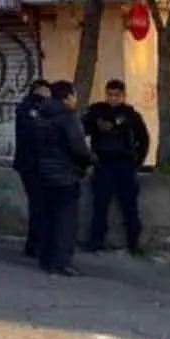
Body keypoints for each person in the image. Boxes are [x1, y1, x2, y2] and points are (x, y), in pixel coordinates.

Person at [81, 79, 151, 255]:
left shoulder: (131, 115)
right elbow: (83, 128)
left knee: (129, 206)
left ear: (123, 96)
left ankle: (134, 243)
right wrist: (96, 124)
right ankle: (96, 241)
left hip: (125, 164)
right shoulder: (97, 111)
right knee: (100, 205)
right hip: (103, 163)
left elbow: (143, 139)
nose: (113, 98)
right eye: (110, 94)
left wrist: (137, 162)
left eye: (117, 95)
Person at [32, 80, 94, 276]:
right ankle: (62, 261)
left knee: (48, 218)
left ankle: (46, 259)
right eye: (74, 96)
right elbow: (78, 148)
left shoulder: (41, 116)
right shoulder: (68, 117)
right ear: (67, 97)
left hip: (44, 174)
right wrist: (88, 162)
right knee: (66, 221)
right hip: (66, 175)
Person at [13, 79, 51, 258]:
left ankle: (36, 243)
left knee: (38, 205)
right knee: (38, 205)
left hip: (30, 164)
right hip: (32, 164)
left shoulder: (29, 107)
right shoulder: (30, 108)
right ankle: (35, 244)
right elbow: (32, 134)